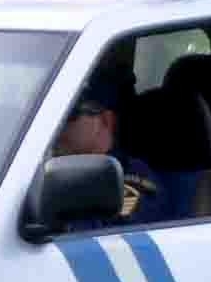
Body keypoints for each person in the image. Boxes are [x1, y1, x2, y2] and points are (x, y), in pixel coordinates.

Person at [52, 64, 169, 226]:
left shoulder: (131, 180)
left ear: (106, 120)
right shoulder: (48, 169)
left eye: (69, 114)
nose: (55, 124)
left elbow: (97, 235)